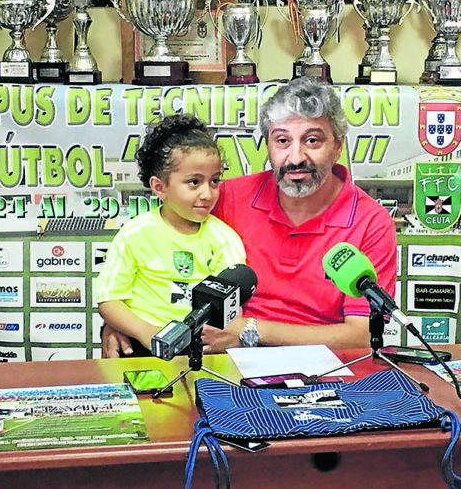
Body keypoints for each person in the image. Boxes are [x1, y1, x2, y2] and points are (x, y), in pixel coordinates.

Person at [102, 77, 396, 357]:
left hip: (324, 367)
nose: (295, 158)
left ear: (337, 146)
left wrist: (250, 331)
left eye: (312, 140)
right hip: (225, 363)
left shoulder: (371, 221)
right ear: (267, 145)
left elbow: (361, 334)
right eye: (282, 141)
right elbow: (160, 254)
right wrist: (121, 325)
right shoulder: (223, 197)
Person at [96, 114, 246, 357]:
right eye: (194, 182)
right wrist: (146, 333)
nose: (207, 194)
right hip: (141, 345)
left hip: (201, 351)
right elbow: (109, 300)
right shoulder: (135, 233)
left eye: (214, 181)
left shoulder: (225, 240)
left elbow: (231, 310)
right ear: (159, 187)